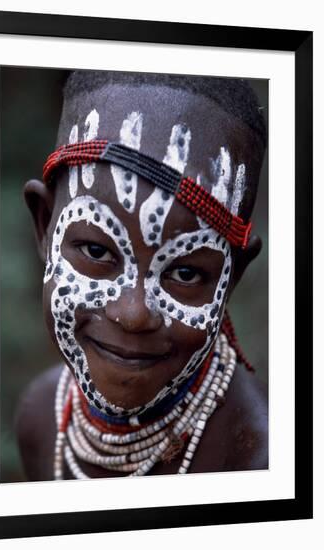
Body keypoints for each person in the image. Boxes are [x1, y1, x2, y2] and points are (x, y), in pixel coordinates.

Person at [15, 70, 268, 481]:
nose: (133, 314)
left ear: (230, 278)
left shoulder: (266, 463)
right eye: (97, 251)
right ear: (46, 226)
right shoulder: (40, 417)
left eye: (185, 272)